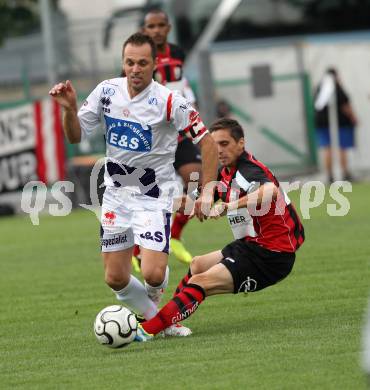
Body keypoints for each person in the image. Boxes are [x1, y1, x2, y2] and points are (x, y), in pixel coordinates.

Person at [49, 32, 218, 337]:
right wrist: (69, 110)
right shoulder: (106, 92)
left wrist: (206, 190)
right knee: (115, 278)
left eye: (142, 62)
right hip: (116, 196)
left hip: (155, 196)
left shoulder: (169, 101)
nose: (135, 68)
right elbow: (74, 136)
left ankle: (159, 315)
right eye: (130, 62)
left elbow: (208, 143)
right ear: (122, 63)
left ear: (154, 64)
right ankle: (161, 319)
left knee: (153, 274)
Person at [134, 118, 305, 341]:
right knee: (197, 265)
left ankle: (147, 329)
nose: (219, 150)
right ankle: (169, 322)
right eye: (214, 145)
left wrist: (229, 206)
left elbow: (271, 190)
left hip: (272, 256)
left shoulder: (248, 171)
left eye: (224, 144)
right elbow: (195, 202)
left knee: (200, 282)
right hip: (250, 246)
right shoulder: (225, 173)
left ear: (241, 143)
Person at [129, 8, 201, 267]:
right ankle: (137, 249)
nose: (157, 30)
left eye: (161, 25)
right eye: (151, 26)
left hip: (178, 132)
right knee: (151, 196)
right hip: (152, 138)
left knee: (199, 183)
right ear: (144, 30)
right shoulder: (136, 59)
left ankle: (175, 235)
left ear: (168, 28)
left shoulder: (178, 54)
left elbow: (182, 88)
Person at [314, 68, 358, 183]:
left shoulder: (319, 88)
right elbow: (345, 105)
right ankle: (345, 173)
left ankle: (330, 175)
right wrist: (354, 118)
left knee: (326, 148)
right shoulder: (337, 88)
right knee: (341, 148)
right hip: (340, 124)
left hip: (321, 123)